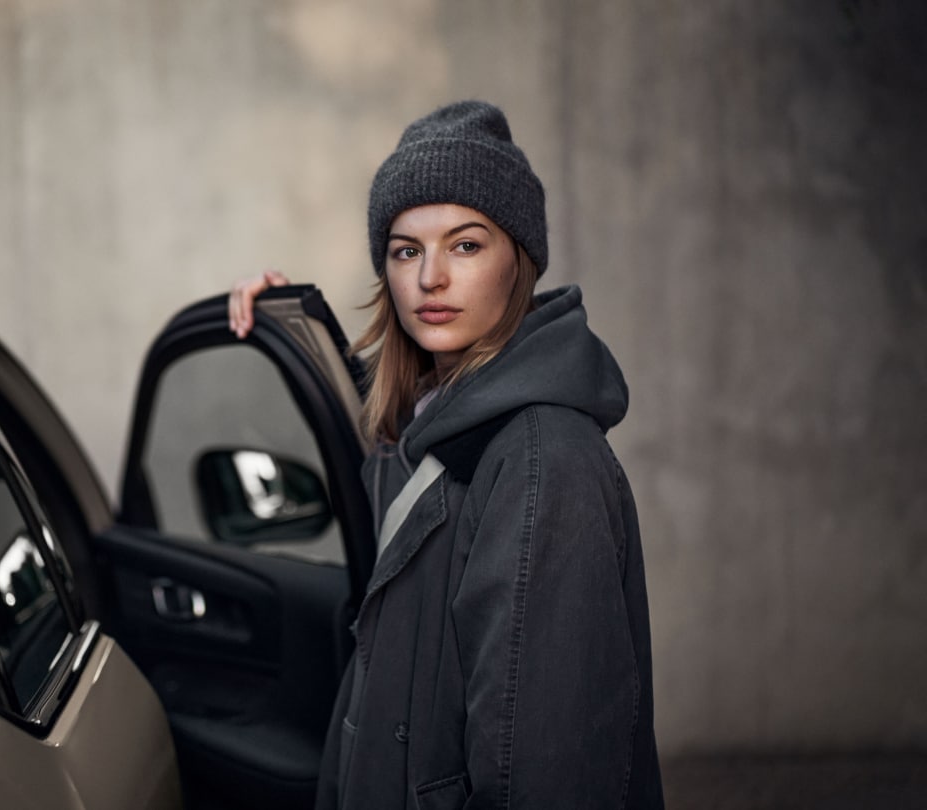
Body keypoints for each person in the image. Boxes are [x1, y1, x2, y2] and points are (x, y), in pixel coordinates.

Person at [229, 100, 663, 809]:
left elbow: (550, 775)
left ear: (516, 262)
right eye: (407, 250)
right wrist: (293, 327)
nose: (431, 276)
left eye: (466, 244)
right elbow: (394, 443)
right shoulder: (435, 414)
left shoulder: (542, 463)